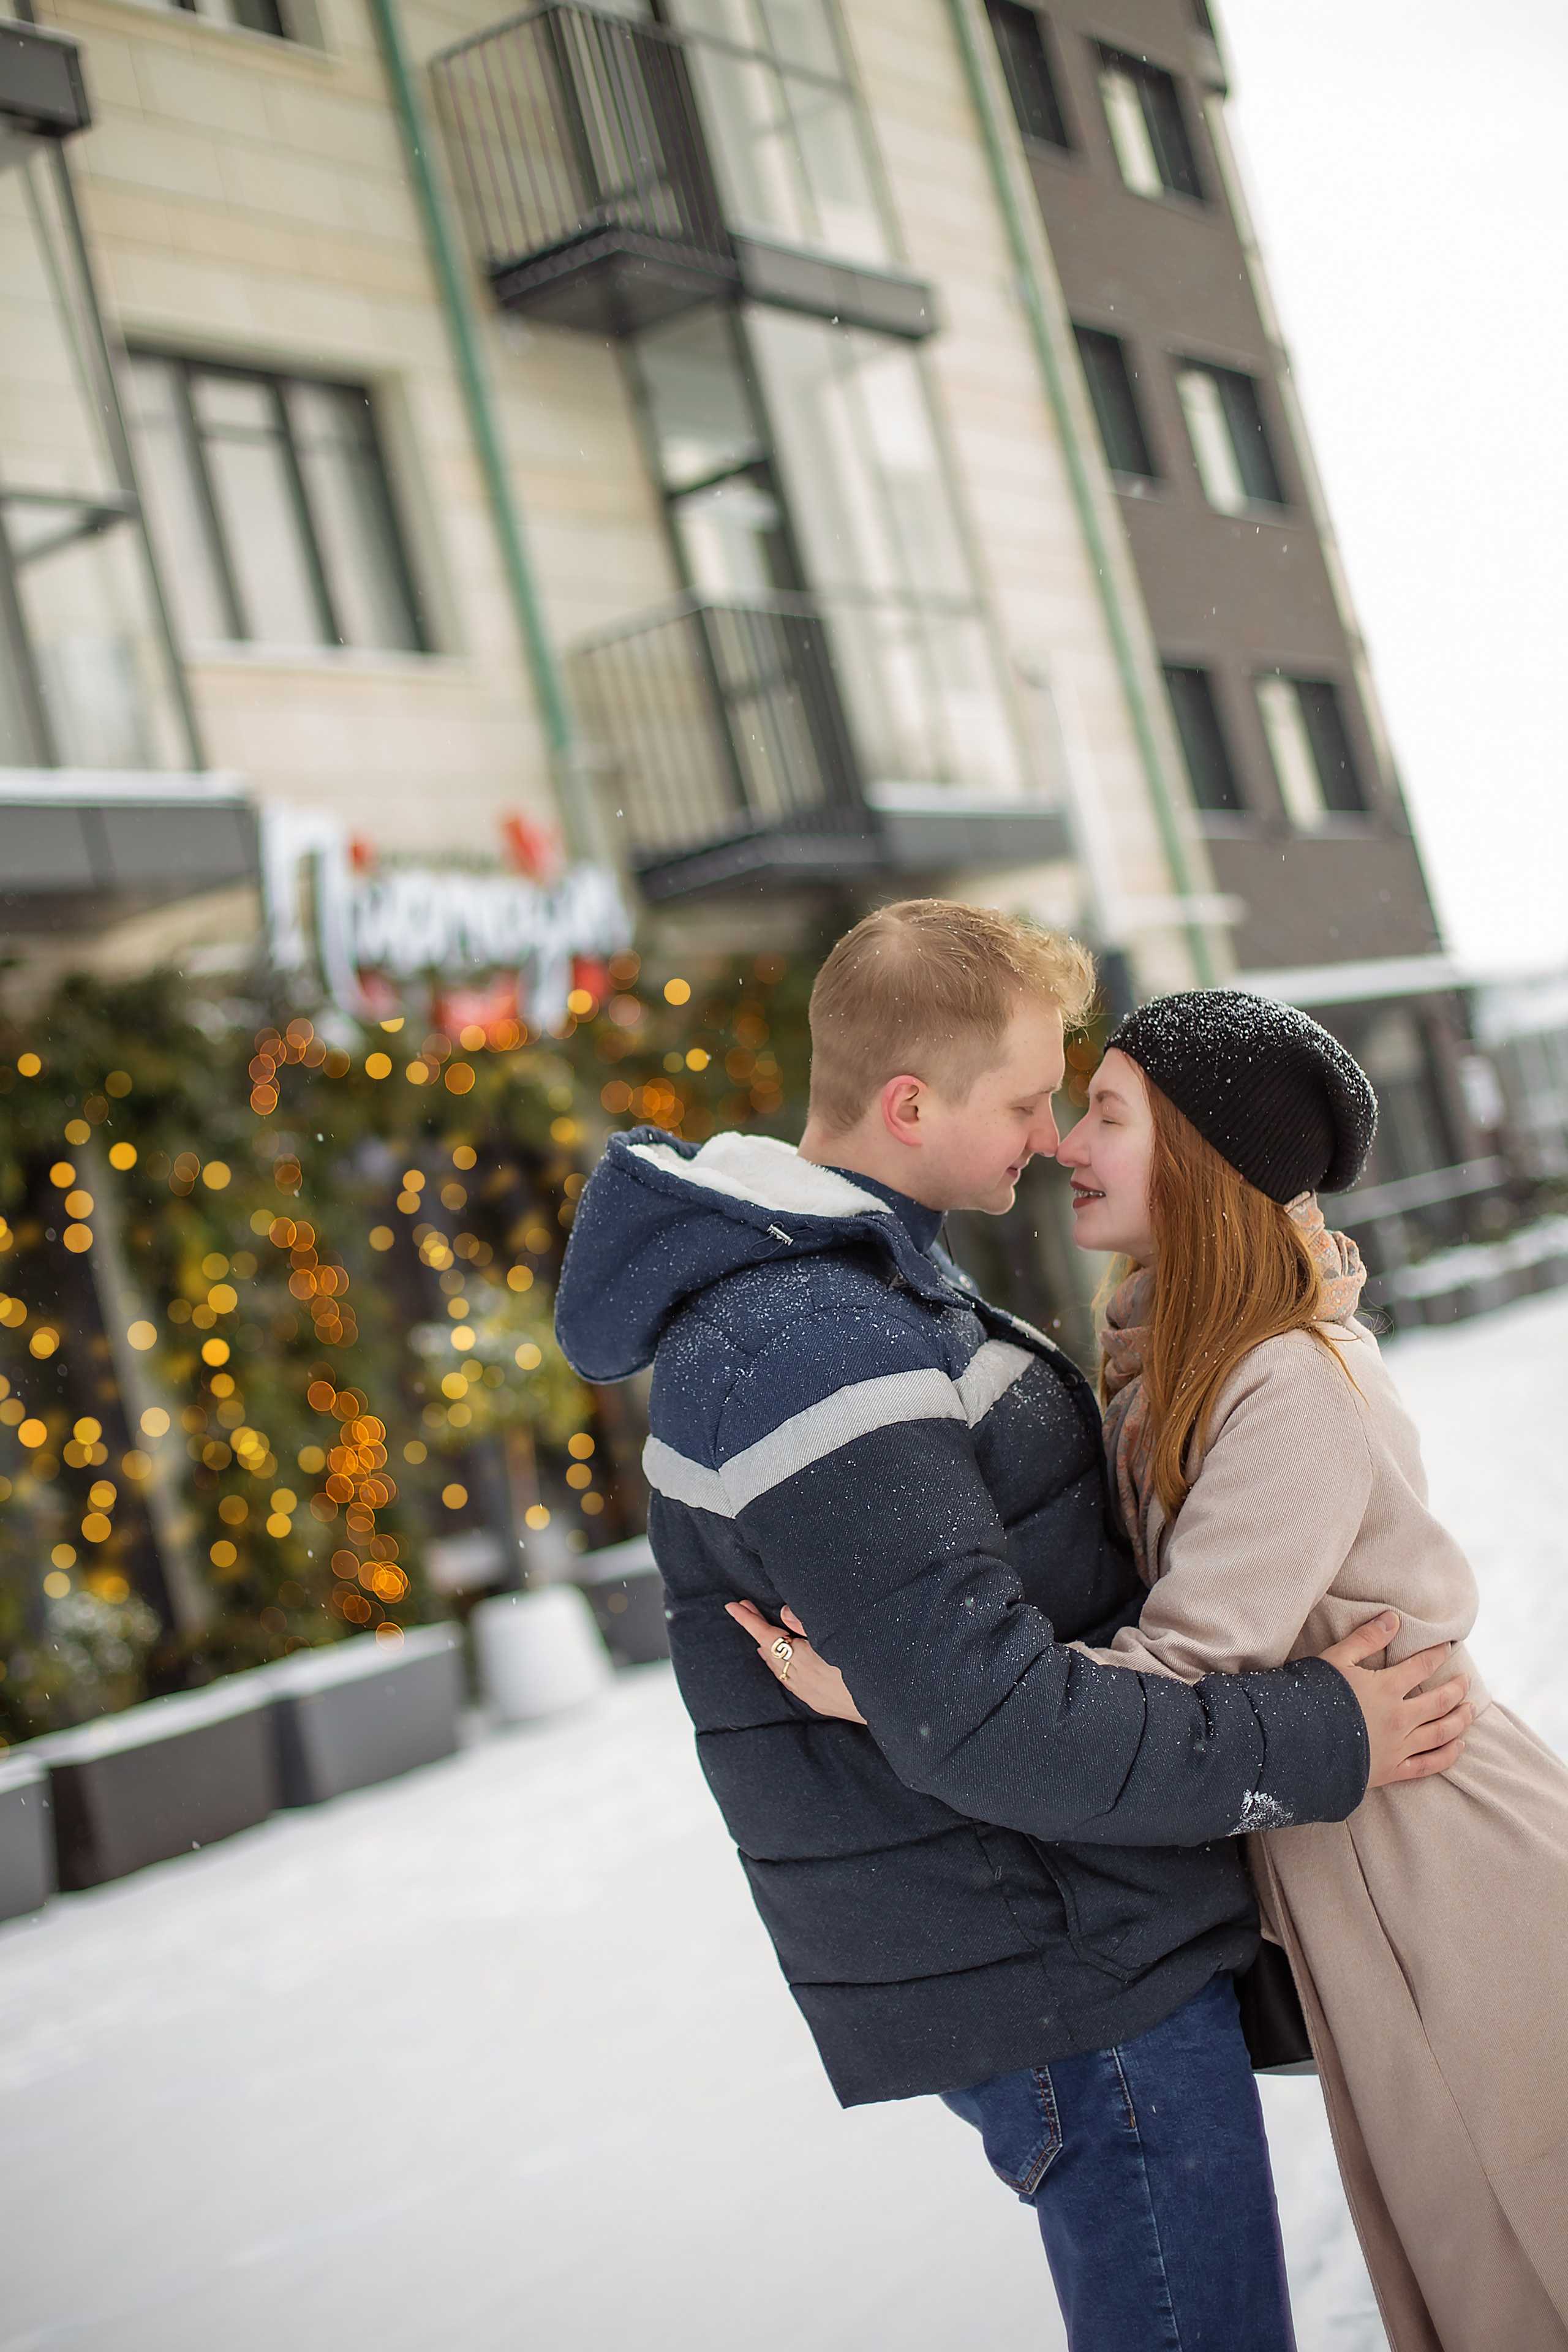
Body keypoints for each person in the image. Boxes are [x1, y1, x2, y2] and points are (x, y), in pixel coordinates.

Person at [555, 903, 1470, 2352]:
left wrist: (1278, 1300)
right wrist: (1320, 1732)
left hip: (1085, 1938)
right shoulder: (809, 1340)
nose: (1049, 1140)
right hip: (1065, 1970)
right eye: (1030, 1102)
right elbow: (985, 1719)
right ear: (909, 1104)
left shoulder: (868, 1289)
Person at [749, 984, 1568, 2352]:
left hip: (1441, 1868)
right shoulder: (1167, 1364)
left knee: (1515, 2261)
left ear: (1200, 1159)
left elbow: (1183, 1672)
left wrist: (908, 1679)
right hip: (1354, 1862)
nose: (1067, 1142)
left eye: (1106, 1114)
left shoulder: (1287, 1380)